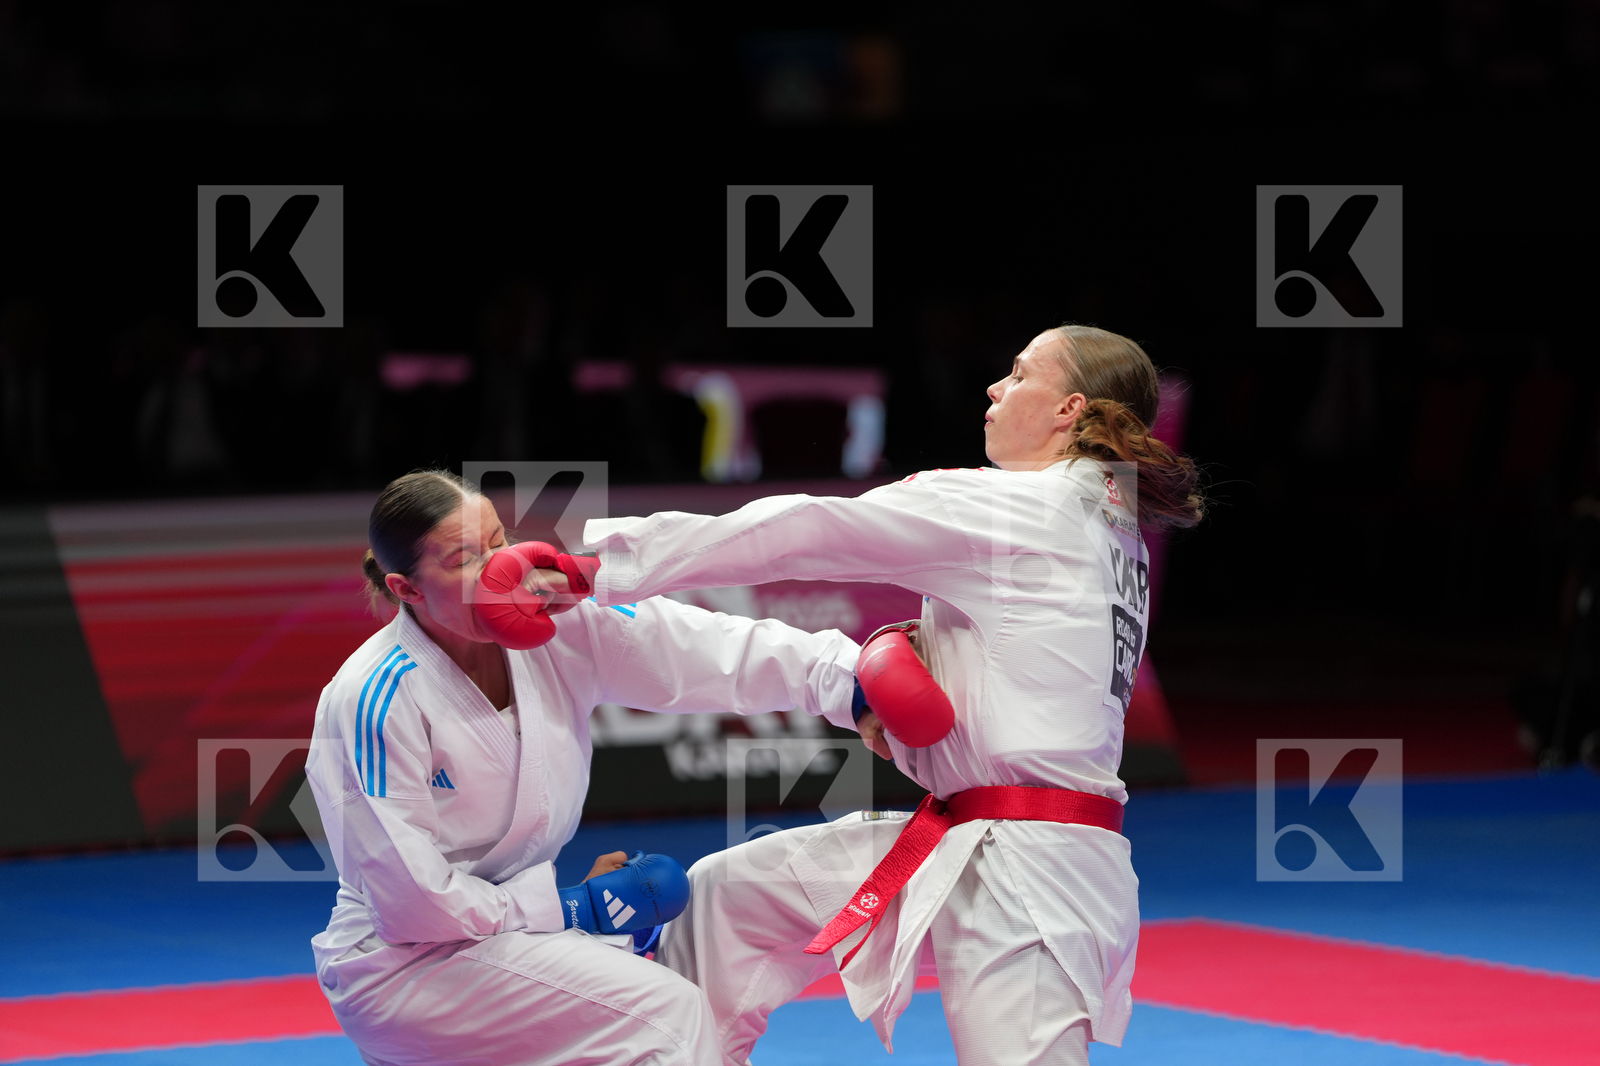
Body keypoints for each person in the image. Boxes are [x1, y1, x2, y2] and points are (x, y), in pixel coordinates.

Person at [581, 325, 1203, 1066]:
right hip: (975, 836)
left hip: (1032, 874)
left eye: (1018, 374)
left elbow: (804, 529)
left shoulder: (1022, 506)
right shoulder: (1110, 525)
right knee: (727, 900)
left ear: (1069, 409)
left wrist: (601, 568)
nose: (995, 388)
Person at [305, 470, 862, 1066]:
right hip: (405, 964)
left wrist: (854, 682)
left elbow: (709, 650)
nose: (497, 571)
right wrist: (571, 907)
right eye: (464, 560)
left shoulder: (559, 624)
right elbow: (410, 903)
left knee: (693, 974)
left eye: (497, 542)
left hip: (509, 937)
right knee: (669, 1015)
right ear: (406, 588)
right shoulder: (373, 699)